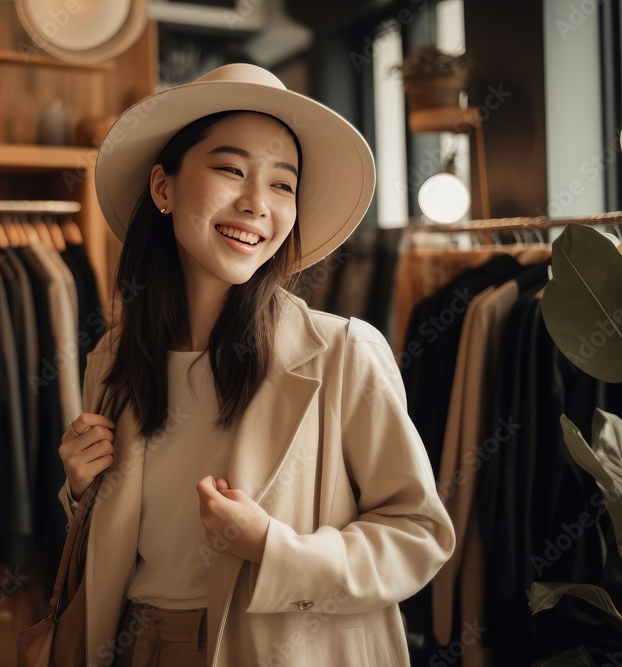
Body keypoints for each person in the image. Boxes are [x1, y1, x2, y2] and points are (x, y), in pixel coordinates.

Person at [57, 63, 455, 667]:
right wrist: (81, 489)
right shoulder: (113, 358)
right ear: (163, 188)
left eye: (282, 185)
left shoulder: (344, 353)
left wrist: (272, 547)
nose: (256, 203)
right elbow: (125, 542)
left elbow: (420, 534)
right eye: (230, 170)